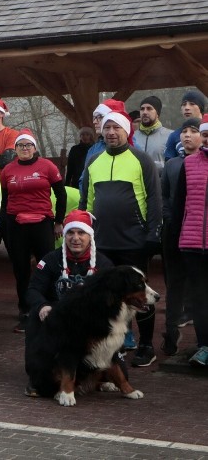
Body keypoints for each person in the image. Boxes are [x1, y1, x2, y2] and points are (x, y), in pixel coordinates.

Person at [79, 108, 162, 367]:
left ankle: (146, 345)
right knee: (107, 295)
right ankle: (114, 344)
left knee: (141, 295)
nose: (111, 132)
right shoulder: (93, 161)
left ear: (127, 131)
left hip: (134, 241)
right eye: (107, 128)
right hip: (102, 241)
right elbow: (87, 201)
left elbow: (154, 200)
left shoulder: (141, 159)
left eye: (116, 128)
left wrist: (152, 235)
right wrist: (86, 232)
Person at [23, 210, 115, 396]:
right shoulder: (50, 260)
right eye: (70, 233)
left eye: (81, 233)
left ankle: (100, 375)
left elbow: (114, 298)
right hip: (55, 318)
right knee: (33, 316)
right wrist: (42, 306)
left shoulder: (104, 265)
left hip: (90, 322)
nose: (75, 238)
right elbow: (32, 290)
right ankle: (37, 376)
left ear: (90, 236)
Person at [0, 130, 66, 333]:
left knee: (47, 265)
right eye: (20, 146)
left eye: (28, 145)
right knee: (20, 269)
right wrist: (2, 227)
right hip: (16, 224)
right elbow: (3, 201)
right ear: (15, 149)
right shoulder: (8, 170)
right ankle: (26, 310)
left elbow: (61, 194)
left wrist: (58, 222)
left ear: (35, 148)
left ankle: (52, 306)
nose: (25, 149)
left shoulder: (47, 166)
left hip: (42, 223)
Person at [160, 117, 204, 356]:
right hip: (174, 231)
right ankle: (171, 333)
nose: (187, 135)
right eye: (184, 131)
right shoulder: (172, 165)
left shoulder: (203, 164)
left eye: (193, 131)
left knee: (198, 287)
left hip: (198, 233)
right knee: (174, 284)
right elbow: (165, 195)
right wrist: (170, 220)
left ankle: (201, 340)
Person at [171, 118, 208, 366]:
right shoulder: (189, 163)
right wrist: (176, 236)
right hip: (193, 244)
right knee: (200, 298)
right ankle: (204, 346)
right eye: (204, 135)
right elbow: (178, 203)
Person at [132, 96, 171, 172]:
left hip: (160, 182)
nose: (145, 112)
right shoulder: (132, 136)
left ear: (157, 114)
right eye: (142, 109)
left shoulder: (170, 135)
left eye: (149, 109)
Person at [164, 91, 206, 160]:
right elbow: (169, 164)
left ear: (200, 108)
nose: (186, 108)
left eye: (192, 104)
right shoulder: (174, 135)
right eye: (184, 104)